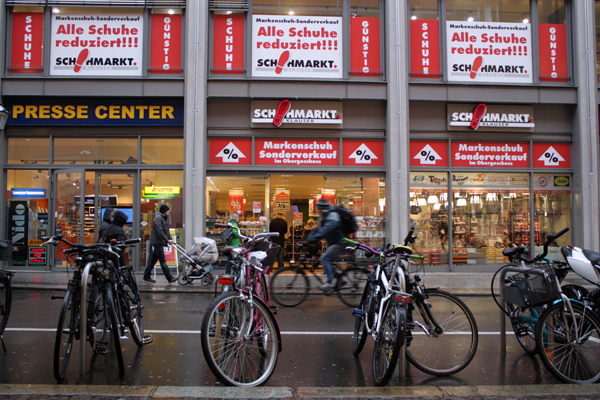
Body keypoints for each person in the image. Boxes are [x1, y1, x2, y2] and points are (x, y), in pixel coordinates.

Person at [303, 199, 347, 291]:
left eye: (318, 209)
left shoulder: (332, 216)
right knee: (328, 260)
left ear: (322, 209)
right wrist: (307, 240)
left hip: (340, 242)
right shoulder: (324, 216)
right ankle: (340, 277)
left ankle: (329, 283)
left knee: (324, 258)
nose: (317, 211)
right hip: (335, 242)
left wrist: (313, 239)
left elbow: (324, 231)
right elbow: (316, 230)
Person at [143, 205, 177, 283]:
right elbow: (160, 231)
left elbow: (166, 231)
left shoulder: (165, 219)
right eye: (168, 210)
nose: (169, 211)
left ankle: (146, 276)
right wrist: (167, 240)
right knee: (162, 260)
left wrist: (170, 239)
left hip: (160, 241)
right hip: (157, 241)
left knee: (153, 259)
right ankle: (169, 277)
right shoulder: (158, 219)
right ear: (164, 211)